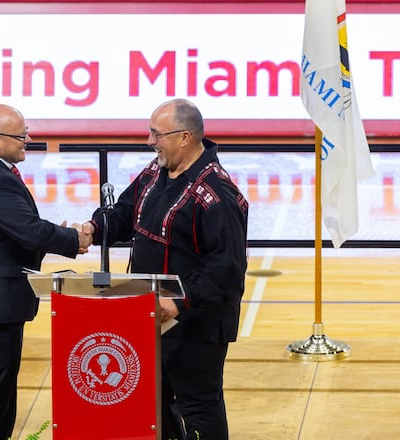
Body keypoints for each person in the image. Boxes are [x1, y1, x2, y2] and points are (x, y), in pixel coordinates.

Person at [82, 99, 248, 440]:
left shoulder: (217, 193)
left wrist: (180, 303)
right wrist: (93, 228)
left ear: (185, 137)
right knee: (154, 400)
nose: (149, 141)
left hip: (195, 323)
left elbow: (226, 267)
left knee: (198, 405)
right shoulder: (155, 172)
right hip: (150, 314)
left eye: (156, 134)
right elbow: (125, 212)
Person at [0, 103, 92, 440]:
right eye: (21, 134)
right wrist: (74, 238)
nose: (28, 138)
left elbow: (16, 233)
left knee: (1, 397)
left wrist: (53, 235)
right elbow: (28, 230)